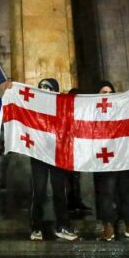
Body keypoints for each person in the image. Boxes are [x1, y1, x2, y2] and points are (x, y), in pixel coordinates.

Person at [93, 81, 129, 242]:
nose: (107, 95)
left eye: (110, 92)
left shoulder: (128, 106)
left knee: (128, 191)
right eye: (102, 92)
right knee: (107, 192)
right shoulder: (92, 110)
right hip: (105, 158)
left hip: (125, 156)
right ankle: (109, 226)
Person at [29, 78, 79, 241]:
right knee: (39, 191)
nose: (44, 89)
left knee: (60, 191)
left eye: (48, 87)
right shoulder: (33, 107)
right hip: (38, 154)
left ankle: (62, 226)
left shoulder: (61, 108)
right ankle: (36, 227)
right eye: (42, 87)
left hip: (57, 154)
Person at [66, 88, 92, 216]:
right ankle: (70, 201)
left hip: (78, 149)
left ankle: (76, 200)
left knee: (76, 178)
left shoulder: (82, 112)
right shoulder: (66, 112)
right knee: (68, 178)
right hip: (67, 150)